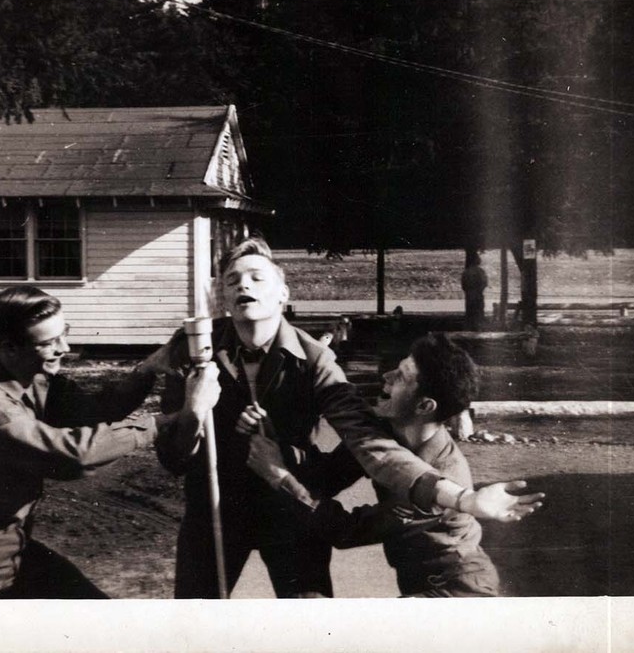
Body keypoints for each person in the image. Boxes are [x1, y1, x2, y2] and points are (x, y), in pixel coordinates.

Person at [153, 237, 541, 598]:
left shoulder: (316, 361)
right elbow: (172, 458)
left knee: (314, 628)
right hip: (214, 515)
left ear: (283, 294)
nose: (243, 285)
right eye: (232, 279)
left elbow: (368, 443)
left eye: (257, 277)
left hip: (295, 521)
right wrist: (193, 412)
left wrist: (464, 497)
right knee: (194, 625)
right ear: (222, 294)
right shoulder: (193, 351)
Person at [0, 285, 220, 599]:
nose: (65, 347)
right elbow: (73, 456)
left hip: (16, 551)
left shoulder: (33, 376)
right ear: (9, 348)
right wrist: (165, 422)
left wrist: (148, 369)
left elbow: (94, 410)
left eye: (65, 333)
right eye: (49, 342)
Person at [247, 332, 540, 597]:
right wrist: (278, 443)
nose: (385, 377)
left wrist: (279, 476)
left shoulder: (439, 478)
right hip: (421, 585)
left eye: (400, 377)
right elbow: (325, 478)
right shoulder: (386, 434)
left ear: (425, 406)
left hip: (458, 592)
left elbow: (346, 531)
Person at [461, 251, 488, 331]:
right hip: (478, 296)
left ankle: (470, 330)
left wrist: (469, 291)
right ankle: (478, 330)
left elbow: (463, 285)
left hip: (469, 296)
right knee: (479, 314)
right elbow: (484, 283)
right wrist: (479, 290)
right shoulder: (481, 271)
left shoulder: (466, 272)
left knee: (470, 314)